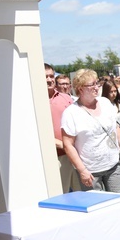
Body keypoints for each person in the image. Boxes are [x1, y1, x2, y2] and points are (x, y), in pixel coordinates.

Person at [61, 69, 120, 193]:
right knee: (98, 207)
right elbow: (68, 144)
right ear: (80, 88)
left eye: (97, 83)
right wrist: (82, 170)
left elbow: (115, 127)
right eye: (92, 85)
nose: (97, 87)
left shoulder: (106, 103)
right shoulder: (71, 113)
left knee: (119, 203)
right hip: (91, 172)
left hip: (113, 166)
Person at [45, 64, 78, 193]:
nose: (49, 79)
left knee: (82, 195)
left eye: (51, 76)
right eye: (45, 76)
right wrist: (61, 144)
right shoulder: (34, 101)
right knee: (61, 195)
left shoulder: (66, 98)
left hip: (73, 155)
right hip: (55, 158)